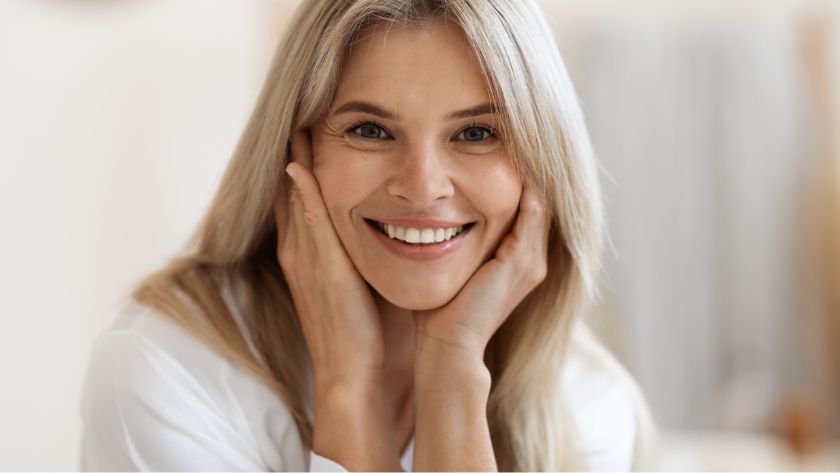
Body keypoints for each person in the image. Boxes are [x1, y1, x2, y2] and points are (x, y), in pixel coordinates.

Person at [79, 0, 658, 470]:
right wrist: (345, 391)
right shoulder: (168, 372)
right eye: (371, 129)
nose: (424, 186)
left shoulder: (583, 407)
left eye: (477, 132)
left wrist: (452, 373)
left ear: (541, 165)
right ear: (294, 151)